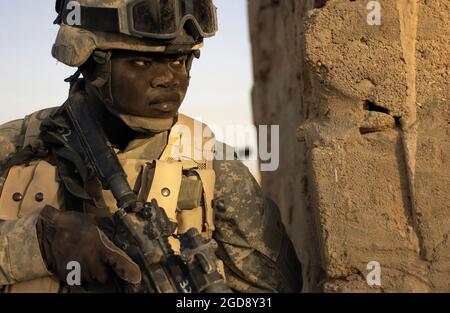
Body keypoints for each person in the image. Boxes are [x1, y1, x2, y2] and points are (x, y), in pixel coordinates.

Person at [0, 0, 302, 293]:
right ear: (92, 64)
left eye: (179, 61)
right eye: (142, 62)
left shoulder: (212, 167)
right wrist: (38, 243)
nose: (170, 79)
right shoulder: (12, 148)